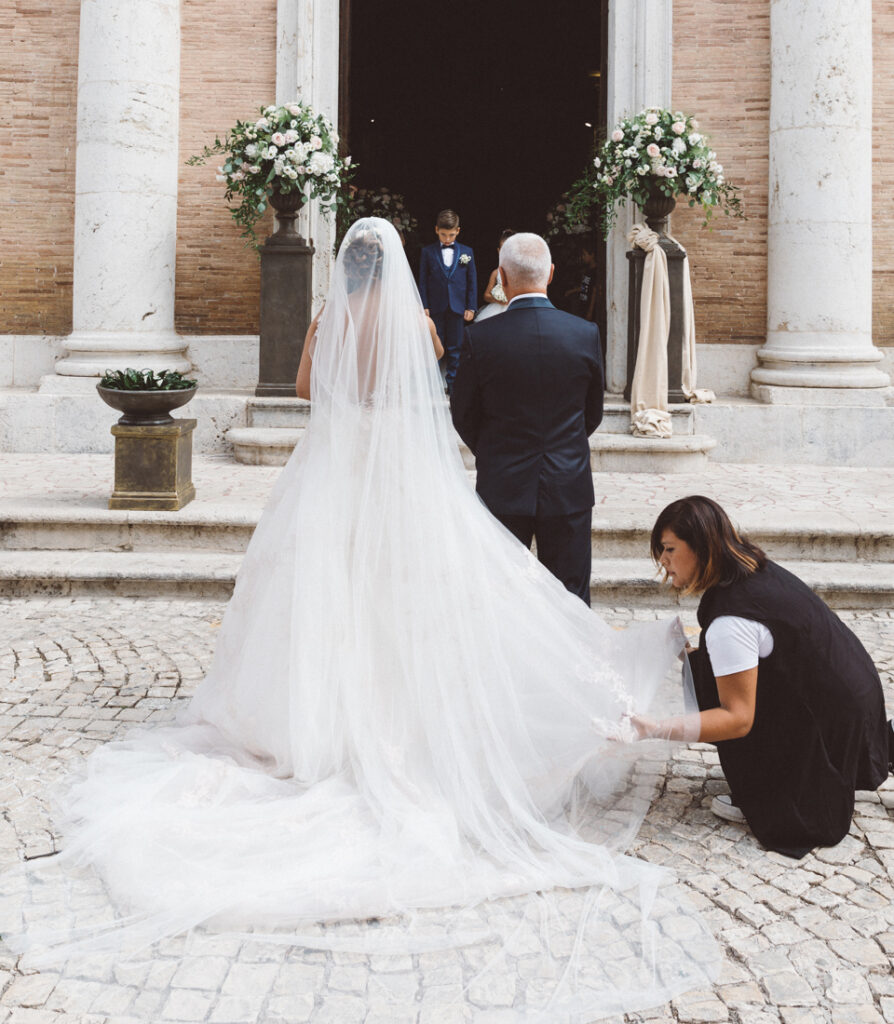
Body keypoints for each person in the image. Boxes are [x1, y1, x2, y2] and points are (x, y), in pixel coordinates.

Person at [0, 220, 717, 1020]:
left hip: (334, 472)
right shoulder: (418, 324)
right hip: (399, 478)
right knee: (405, 595)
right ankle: (416, 717)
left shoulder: (330, 320)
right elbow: (433, 393)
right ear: (400, 269)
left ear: (347, 267)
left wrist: (344, 379)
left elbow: (309, 391)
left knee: (322, 591)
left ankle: (313, 726)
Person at [635, 495, 892, 859]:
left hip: (835, 725)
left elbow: (738, 720)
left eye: (669, 549)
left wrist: (655, 728)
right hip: (858, 699)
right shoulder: (752, 568)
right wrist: (688, 653)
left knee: (714, 690)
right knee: (704, 668)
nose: (662, 560)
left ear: (702, 547)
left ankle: (777, 792)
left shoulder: (729, 621)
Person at [451, 232, 604, 605]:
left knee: (502, 598)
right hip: (568, 482)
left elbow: (463, 414)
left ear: (500, 277)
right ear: (551, 274)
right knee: (571, 597)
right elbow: (593, 412)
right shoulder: (585, 334)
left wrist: (495, 450)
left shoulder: (480, 338)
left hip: (502, 482)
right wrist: (562, 444)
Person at [417, 208, 477, 394]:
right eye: (443, 235)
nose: (447, 239)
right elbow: (423, 280)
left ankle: (453, 385)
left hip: (458, 307)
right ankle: (431, 385)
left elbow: (472, 281)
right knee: (434, 345)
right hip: (435, 306)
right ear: (436, 230)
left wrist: (471, 306)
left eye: (451, 234)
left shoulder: (467, 252)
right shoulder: (428, 252)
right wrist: (424, 305)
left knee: (455, 347)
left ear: (458, 231)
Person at [474, 228, 515, 321]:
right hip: (497, 310)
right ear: (498, 251)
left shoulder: (520, 272)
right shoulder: (496, 273)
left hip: (514, 310)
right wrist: (499, 299)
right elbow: (486, 296)